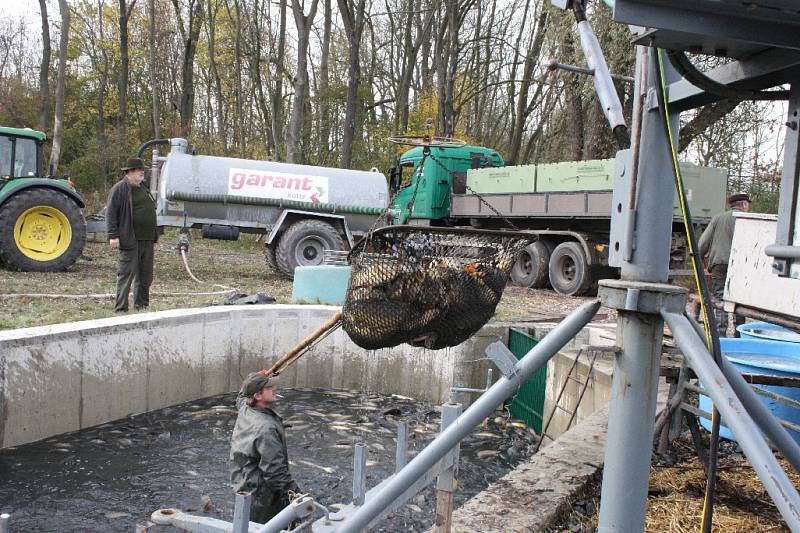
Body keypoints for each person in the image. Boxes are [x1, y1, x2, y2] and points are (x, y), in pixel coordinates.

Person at [230, 371, 300, 524]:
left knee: (246, 523)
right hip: (263, 497)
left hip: (243, 485)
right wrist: (298, 496)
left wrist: (254, 376)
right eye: (269, 387)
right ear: (257, 396)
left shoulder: (245, 408)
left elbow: (241, 395)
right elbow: (275, 473)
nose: (275, 388)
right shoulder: (266, 428)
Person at [107, 157, 158, 312]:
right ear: (130, 172)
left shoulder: (143, 187)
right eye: (138, 169)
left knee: (145, 276)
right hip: (130, 239)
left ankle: (141, 306)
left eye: (142, 169)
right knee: (126, 275)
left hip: (147, 239)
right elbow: (111, 213)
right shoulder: (120, 189)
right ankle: (121, 309)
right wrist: (113, 235)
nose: (142, 172)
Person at [699, 192, 751, 336]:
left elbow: (702, 243)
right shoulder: (747, 219)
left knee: (721, 300)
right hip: (740, 266)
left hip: (719, 265)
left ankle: (720, 338)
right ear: (744, 205)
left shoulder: (717, 218)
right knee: (740, 300)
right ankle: (739, 335)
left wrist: (702, 263)